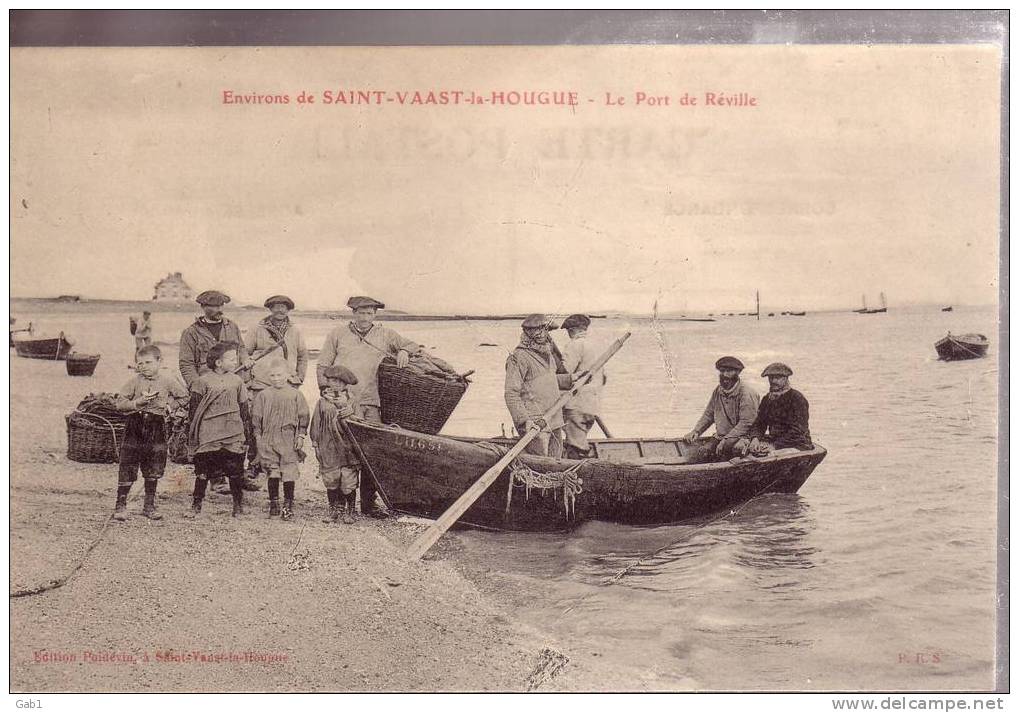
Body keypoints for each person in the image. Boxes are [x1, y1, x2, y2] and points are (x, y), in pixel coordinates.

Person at [316, 295, 419, 517]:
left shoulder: (385, 334)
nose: (365, 317)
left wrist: (404, 351)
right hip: (342, 400)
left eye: (370, 313)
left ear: (375, 314)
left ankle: (368, 504)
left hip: (370, 401)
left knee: (371, 452)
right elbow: (323, 363)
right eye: (361, 312)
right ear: (353, 313)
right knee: (343, 449)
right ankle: (343, 503)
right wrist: (324, 389)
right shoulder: (338, 334)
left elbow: (412, 345)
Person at [112, 345, 189, 521]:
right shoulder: (134, 382)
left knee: (154, 464)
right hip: (135, 425)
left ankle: (149, 505)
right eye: (140, 363)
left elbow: (184, 397)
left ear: (159, 361)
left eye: (148, 362)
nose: (144, 366)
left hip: (157, 426)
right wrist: (136, 403)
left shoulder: (168, 380)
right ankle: (121, 504)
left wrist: (170, 407)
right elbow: (120, 402)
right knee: (128, 463)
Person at [185, 342, 250, 518]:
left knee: (235, 469)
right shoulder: (202, 381)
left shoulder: (237, 381)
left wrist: (246, 430)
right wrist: (194, 433)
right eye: (231, 358)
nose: (235, 361)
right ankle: (196, 504)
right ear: (218, 362)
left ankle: (238, 506)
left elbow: (244, 407)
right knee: (203, 470)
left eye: (236, 358)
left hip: (232, 430)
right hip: (209, 432)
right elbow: (194, 410)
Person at [251, 359, 310, 521]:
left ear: (288, 375)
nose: (276, 378)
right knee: (273, 471)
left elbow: (303, 416)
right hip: (269, 438)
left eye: (279, 375)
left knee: (289, 472)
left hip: (288, 438)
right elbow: (256, 418)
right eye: (272, 375)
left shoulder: (296, 394)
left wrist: (301, 436)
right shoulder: (263, 395)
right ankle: (274, 503)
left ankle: (288, 505)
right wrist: (258, 438)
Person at [504, 314, 566, 457]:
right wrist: (525, 421)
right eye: (534, 330)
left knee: (556, 464)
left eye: (544, 330)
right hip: (535, 423)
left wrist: (571, 379)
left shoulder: (548, 354)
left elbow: (548, 380)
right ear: (526, 333)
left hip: (554, 420)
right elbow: (511, 393)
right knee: (540, 464)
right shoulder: (519, 357)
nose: (540, 334)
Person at [309, 365, 361, 525]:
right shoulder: (322, 402)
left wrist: (348, 410)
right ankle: (334, 509)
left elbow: (360, 424)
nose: (336, 384)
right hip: (328, 446)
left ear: (346, 384)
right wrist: (316, 444)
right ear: (328, 381)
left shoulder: (353, 401)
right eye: (333, 380)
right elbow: (315, 424)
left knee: (348, 481)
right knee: (331, 479)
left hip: (348, 448)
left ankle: (350, 510)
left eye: (340, 381)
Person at [682, 356, 760, 460]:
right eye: (722, 371)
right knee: (703, 452)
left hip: (743, 436)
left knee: (732, 450)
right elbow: (709, 415)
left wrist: (727, 439)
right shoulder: (718, 391)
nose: (724, 375)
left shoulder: (747, 393)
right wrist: (696, 431)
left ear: (737, 373)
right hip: (721, 436)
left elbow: (746, 423)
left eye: (729, 371)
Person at [178, 291, 248, 389]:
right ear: (203, 307)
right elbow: (186, 364)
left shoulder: (232, 327)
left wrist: (245, 359)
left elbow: (241, 348)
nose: (219, 310)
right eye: (215, 306)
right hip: (207, 386)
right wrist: (196, 386)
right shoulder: (191, 333)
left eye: (221, 305)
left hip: (232, 384)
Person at [560, 314, 606, 459]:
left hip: (575, 404)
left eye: (568, 331)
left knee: (576, 446)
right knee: (579, 438)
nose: (568, 334)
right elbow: (604, 378)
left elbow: (565, 372)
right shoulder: (596, 346)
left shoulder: (574, 345)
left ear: (572, 330)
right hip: (592, 405)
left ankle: (579, 473)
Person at [747, 362, 813, 453]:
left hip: (797, 444)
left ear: (786, 378)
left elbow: (798, 431)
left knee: (767, 457)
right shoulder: (767, 399)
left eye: (777, 378)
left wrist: (774, 446)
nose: (773, 381)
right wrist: (755, 438)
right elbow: (760, 423)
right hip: (774, 441)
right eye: (771, 378)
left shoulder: (797, 399)